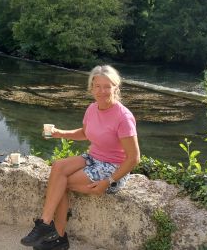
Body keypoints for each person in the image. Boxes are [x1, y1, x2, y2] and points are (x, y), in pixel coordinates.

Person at [20, 65, 140, 250]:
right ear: (91, 88)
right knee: (58, 167)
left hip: (113, 168)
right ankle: (46, 224)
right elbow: (85, 133)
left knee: (62, 183)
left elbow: (133, 158)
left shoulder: (123, 117)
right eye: (97, 86)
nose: (102, 91)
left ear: (116, 87)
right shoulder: (92, 108)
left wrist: (109, 181)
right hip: (93, 157)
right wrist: (60, 133)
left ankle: (58, 236)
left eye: (107, 86)